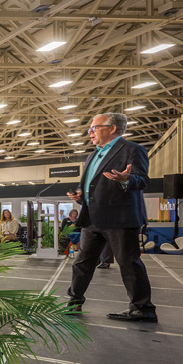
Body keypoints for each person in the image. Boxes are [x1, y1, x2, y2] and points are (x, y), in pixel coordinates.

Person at [66, 112, 156, 322]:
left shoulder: (133, 149)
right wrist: (81, 195)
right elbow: (92, 184)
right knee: (82, 263)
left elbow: (142, 181)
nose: (90, 133)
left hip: (120, 217)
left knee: (128, 263)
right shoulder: (92, 155)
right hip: (92, 218)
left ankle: (143, 309)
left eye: (94, 128)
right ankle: (74, 302)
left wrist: (127, 179)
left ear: (112, 128)